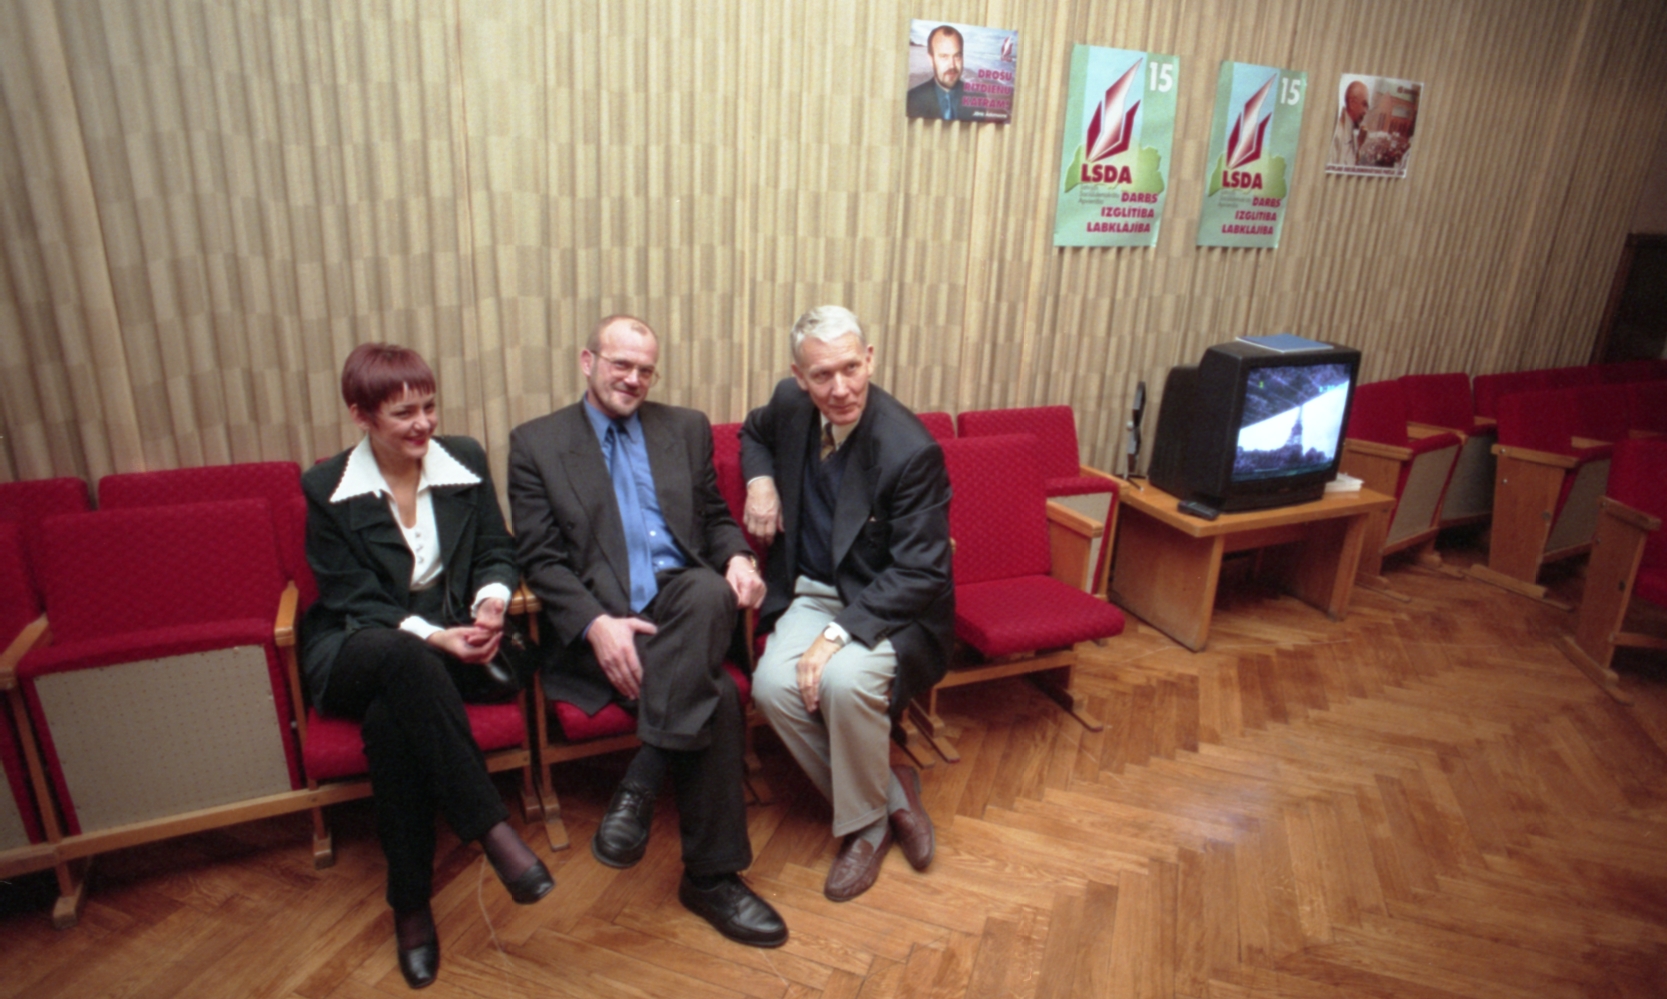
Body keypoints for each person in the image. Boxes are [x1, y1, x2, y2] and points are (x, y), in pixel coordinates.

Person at [507, 315, 786, 948]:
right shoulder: (536, 444)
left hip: (685, 609)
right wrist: (595, 625)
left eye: (645, 370)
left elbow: (715, 518)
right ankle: (712, 880)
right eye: (620, 365)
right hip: (611, 623)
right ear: (588, 361)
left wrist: (739, 557)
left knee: (711, 588)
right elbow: (541, 561)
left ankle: (641, 778)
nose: (633, 379)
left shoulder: (683, 427)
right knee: (716, 696)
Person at [300, 343, 554, 991]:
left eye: (430, 407)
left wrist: (491, 601)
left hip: (446, 650)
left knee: (392, 724)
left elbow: (497, 550)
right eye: (403, 413)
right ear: (361, 415)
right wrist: (434, 637)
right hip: (360, 644)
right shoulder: (326, 486)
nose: (423, 424)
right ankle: (491, 828)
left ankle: (409, 903)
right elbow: (352, 597)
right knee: (400, 655)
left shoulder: (462, 458)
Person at [740, 305, 952, 902]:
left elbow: (921, 571)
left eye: (851, 368)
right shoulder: (789, 405)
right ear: (799, 377)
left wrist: (835, 638)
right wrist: (761, 482)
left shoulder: (910, 450)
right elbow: (752, 433)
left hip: (888, 606)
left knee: (843, 681)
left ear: (871, 359)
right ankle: (892, 792)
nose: (840, 389)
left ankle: (865, 830)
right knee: (772, 688)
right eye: (822, 375)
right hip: (811, 591)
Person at [906, 24, 970, 121]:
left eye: (957, 56)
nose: (952, 65)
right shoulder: (912, 99)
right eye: (944, 56)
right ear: (931, 60)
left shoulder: (977, 99)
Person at [1330, 79, 1370, 166]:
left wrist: (1358, 145)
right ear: (1352, 103)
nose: (1365, 112)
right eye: (1364, 104)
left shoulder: (1352, 135)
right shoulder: (1336, 134)